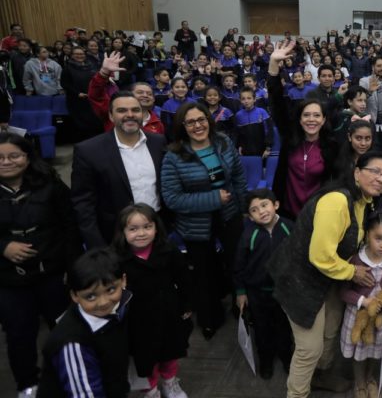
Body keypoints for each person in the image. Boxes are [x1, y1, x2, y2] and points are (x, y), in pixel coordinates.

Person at [270, 151, 382, 398]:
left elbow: (365, 236)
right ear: (356, 172)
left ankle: (321, 376)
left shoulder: (364, 202)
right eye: (375, 171)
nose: (381, 179)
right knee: (309, 349)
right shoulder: (336, 201)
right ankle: (297, 394)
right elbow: (320, 256)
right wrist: (353, 272)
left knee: (330, 331)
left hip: (329, 279)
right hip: (300, 280)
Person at [0, 133, 78, 397]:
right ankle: (27, 385)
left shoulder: (50, 184)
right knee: (19, 334)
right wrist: (4, 247)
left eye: (14, 156)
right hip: (9, 280)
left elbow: (70, 225)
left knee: (66, 330)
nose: (7, 162)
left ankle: (69, 377)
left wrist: (71, 265)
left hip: (52, 274)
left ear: (27, 157)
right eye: (0, 157)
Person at [161, 103, 247, 340]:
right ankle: (210, 319)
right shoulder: (173, 156)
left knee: (236, 264)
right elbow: (172, 198)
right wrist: (213, 199)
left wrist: (241, 206)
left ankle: (241, 308)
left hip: (230, 215)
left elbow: (238, 176)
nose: (198, 125)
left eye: (201, 119)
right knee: (204, 273)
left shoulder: (223, 142)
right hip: (195, 224)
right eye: (190, 122)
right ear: (182, 126)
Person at [111, 204, 192, 398]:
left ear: (156, 228)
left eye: (147, 227)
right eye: (133, 229)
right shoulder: (116, 259)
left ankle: (170, 383)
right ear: (123, 232)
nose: (141, 233)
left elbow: (184, 279)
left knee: (170, 352)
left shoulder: (168, 250)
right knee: (146, 359)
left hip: (168, 313)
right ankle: (152, 390)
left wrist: (186, 304)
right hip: (138, 320)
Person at [71, 92, 166, 248]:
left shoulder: (158, 142)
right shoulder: (88, 150)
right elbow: (83, 203)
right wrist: (97, 245)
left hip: (157, 230)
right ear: (110, 116)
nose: (130, 115)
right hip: (115, 236)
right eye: (122, 110)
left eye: (135, 110)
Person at [38, 248, 131, 398]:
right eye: (91, 297)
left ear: (124, 281)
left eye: (111, 290)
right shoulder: (72, 343)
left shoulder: (123, 303)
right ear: (74, 296)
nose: (103, 302)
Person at [267, 40, 337, 219]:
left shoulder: (331, 146)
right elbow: (276, 102)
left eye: (316, 116)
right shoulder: (291, 138)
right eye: (306, 115)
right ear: (299, 119)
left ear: (323, 120)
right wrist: (274, 65)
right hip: (288, 214)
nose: (311, 120)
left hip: (318, 217)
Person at [233, 189, 294, 380]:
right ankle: (266, 360)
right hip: (257, 293)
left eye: (264, 204)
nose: (261, 211)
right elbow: (238, 266)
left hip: (284, 291)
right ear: (250, 217)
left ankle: (287, 356)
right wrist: (241, 292)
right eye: (254, 210)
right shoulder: (248, 235)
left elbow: (299, 257)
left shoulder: (289, 227)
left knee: (285, 327)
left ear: (275, 205)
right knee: (261, 329)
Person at [339, 211, 382, 398]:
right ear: (367, 235)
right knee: (359, 350)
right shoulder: (356, 261)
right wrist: (363, 301)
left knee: (375, 350)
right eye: (378, 238)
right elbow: (343, 291)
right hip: (358, 314)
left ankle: (370, 378)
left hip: (380, 317)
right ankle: (360, 383)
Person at [61, 46, 102, 140]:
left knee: (95, 122)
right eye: (77, 54)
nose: (80, 56)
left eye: (82, 54)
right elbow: (65, 84)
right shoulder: (67, 68)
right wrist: (77, 93)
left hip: (91, 99)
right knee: (82, 125)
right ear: (72, 55)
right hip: (77, 100)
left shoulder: (91, 66)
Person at [234, 87, 273, 157]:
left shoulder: (262, 112)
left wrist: (268, 148)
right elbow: (238, 134)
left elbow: (269, 131)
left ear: (254, 99)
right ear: (240, 100)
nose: (246, 101)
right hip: (246, 151)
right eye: (243, 99)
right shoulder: (238, 115)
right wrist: (239, 145)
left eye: (249, 98)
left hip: (263, 150)